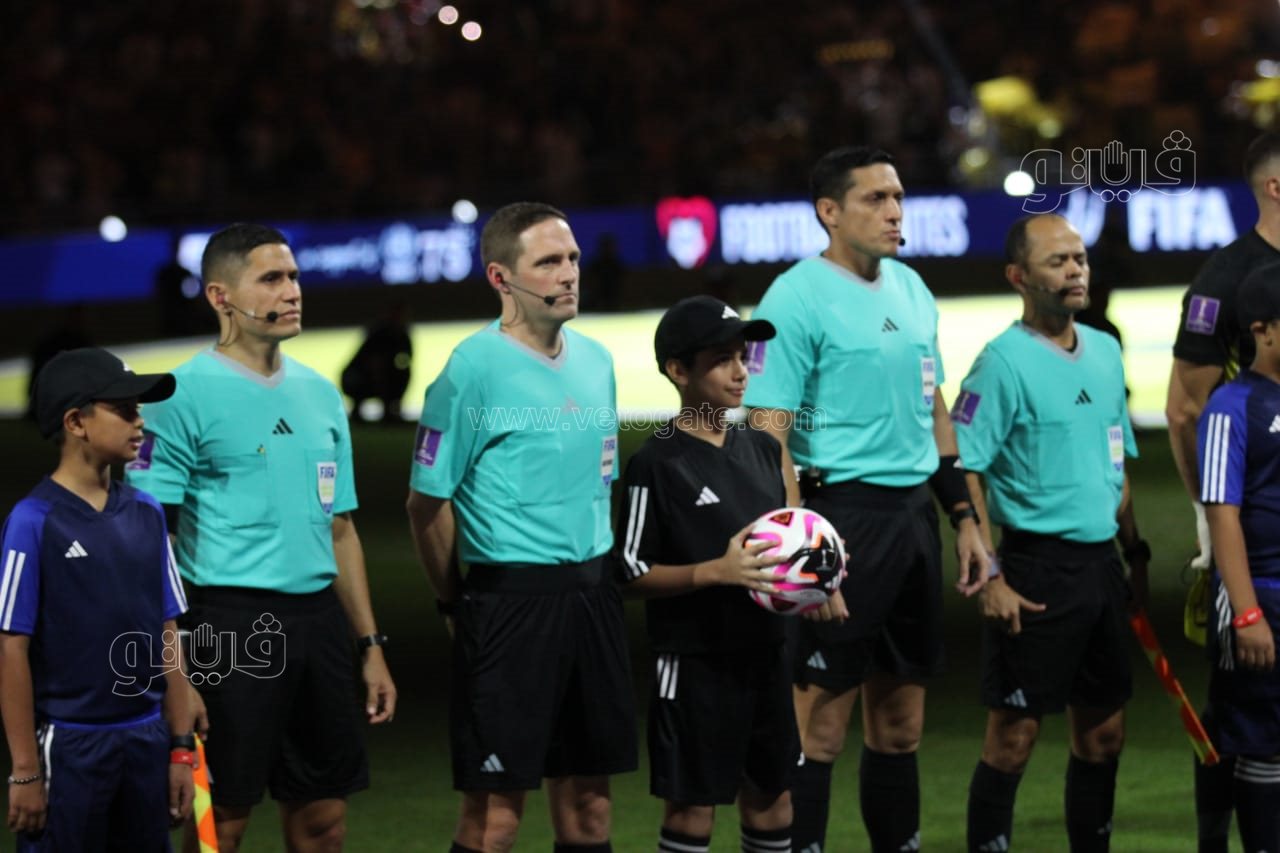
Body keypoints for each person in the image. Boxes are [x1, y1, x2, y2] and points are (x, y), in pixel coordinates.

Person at [744, 145, 989, 853]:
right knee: (818, 726)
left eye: (898, 197)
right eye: (876, 199)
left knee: (901, 724)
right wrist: (804, 555)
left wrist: (964, 517)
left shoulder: (912, 287)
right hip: (838, 521)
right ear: (829, 211)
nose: (894, 211)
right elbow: (767, 435)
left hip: (912, 518)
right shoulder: (793, 298)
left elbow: (933, 407)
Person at [124, 223, 397, 852]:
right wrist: (176, 673)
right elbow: (151, 543)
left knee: (324, 822)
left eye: (294, 276)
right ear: (220, 296)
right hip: (228, 625)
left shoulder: (320, 395)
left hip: (320, 625)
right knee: (221, 822)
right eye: (271, 279)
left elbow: (340, 529)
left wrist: (370, 644)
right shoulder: (178, 396)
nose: (292, 290)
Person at [405, 202, 637, 853]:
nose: (569, 273)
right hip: (511, 604)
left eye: (573, 259)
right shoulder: (472, 370)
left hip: (593, 598)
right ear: (500, 277)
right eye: (549, 262)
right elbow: (425, 504)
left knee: (590, 809)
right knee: (495, 818)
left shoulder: (596, 361)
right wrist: (453, 601)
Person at [954, 214, 1149, 852]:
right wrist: (990, 575)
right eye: (1057, 261)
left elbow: (1115, 461)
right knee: (1012, 740)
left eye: (1079, 258)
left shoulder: (1107, 350)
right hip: (1035, 570)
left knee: (1104, 736)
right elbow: (965, 467)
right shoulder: (1000, 364)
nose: (1075, 270)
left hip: (1101, 568)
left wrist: (1134, 551)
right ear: (1019, 276)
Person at [614, 295, 798, 853]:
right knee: (693, 810)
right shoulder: (656, 462)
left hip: (767, 653)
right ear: (678, 370)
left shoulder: (763, 449)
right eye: (722, 360)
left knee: (773, 801)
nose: (741, 372)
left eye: (743, 357)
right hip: (696, 663)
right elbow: (627, 571)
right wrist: (713, 572)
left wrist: (819, 576)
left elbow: (786, 539)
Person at [2, 348, 193, 849]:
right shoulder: (33, 521)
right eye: (124, 409)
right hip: (70, 747)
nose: (139, 421)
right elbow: (11, 648)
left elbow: (168, 632)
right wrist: (25, 771)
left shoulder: (148, 513)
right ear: (76, 422)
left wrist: (180, 748)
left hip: (148, 740)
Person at [1165, 131, 1280, 852]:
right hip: (1252, 529)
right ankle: (1217, 837)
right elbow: (1186, 407)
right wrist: (1212, 517)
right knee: (1242, 704)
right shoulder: (1226, 278)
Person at [1197, 262, 1280, 853]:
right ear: (1263, 329)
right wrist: (1247, 613)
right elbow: (1221, 513)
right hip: (1263, 597)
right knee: (1261, 742)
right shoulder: (1232, 406)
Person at [341, 299, 413, 423]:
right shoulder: (379, 333)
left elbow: (406, 359)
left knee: (402, 373)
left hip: (384, 376)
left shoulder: (402, 335)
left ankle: (391, 410)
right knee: (381, 375)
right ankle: (360, 411)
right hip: (358, 378)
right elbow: (373, 363)